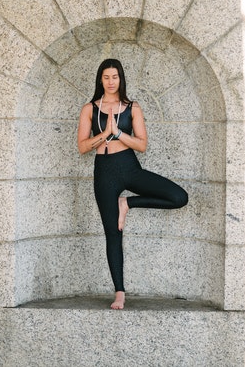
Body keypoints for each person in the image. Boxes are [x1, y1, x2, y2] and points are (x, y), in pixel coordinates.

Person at [77, 58, 188, 309]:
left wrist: (118, 134)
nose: (110, 81)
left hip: (129, 168)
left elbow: (142, 145)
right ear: (100, 79)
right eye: (106, 77)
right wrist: (104, 134)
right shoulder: (89, 109)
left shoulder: (132, 107)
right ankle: (119, 293)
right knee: (112, 233)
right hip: (104, 173)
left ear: (121, 78)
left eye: (115, 77)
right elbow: (82, 147)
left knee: (179, 197)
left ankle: (127, 203)